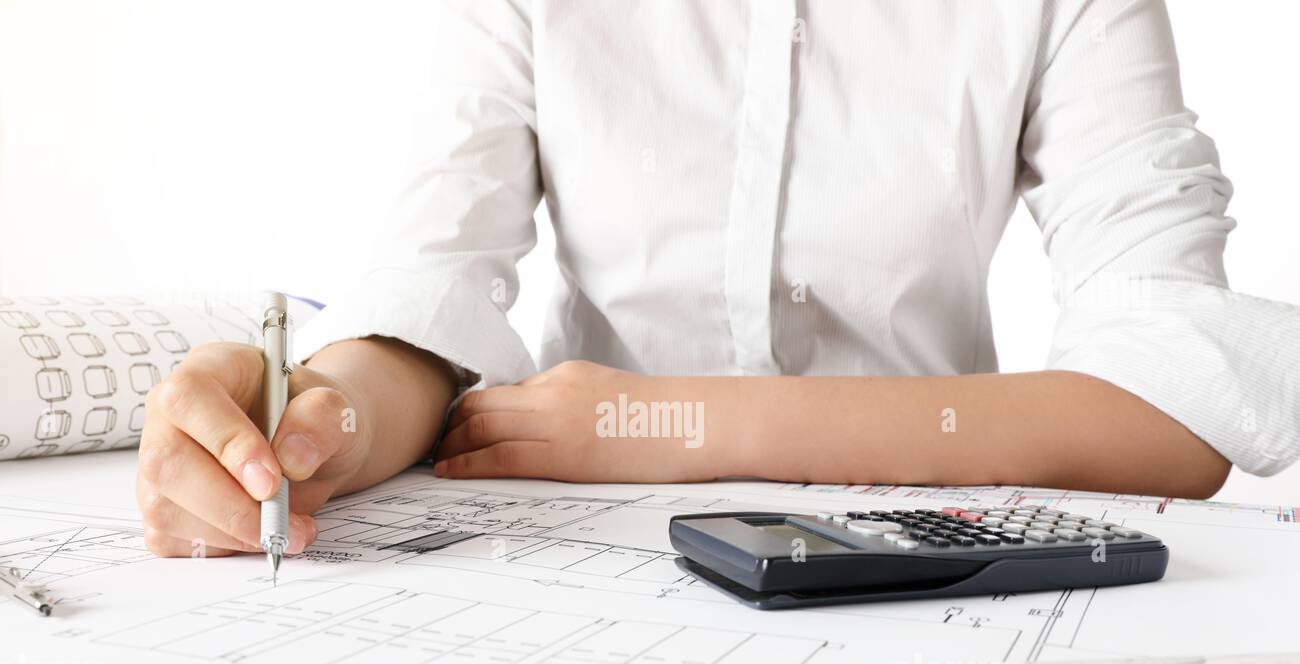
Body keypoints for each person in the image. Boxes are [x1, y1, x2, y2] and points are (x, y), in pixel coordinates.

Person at [135, 0, 1300, 559]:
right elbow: (424, 312)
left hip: (935, 563)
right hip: (571, 563)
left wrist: (672, 421)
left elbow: (1180, 395)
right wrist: (318, 424)